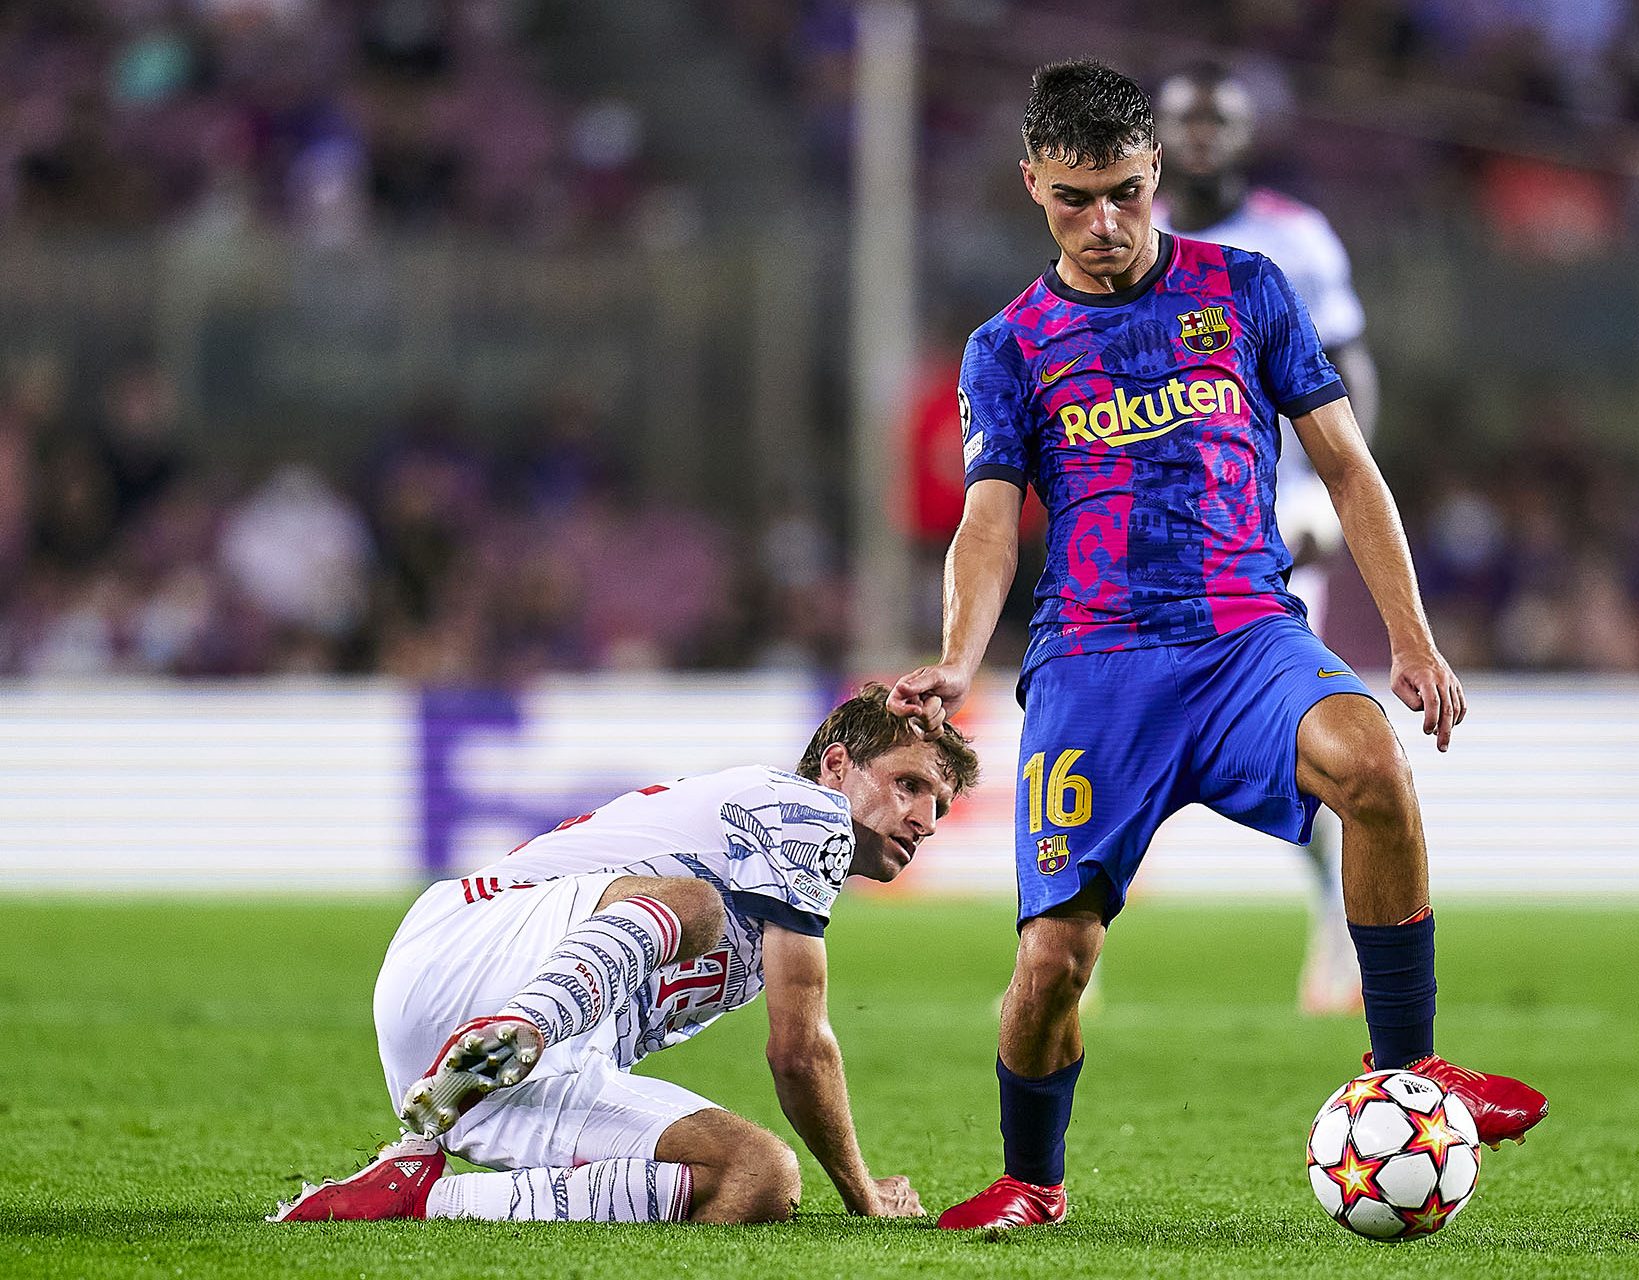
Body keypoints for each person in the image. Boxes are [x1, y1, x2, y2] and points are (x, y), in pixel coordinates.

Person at [888, 60, 1547, 1231]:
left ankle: (1407, 1074)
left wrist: (1412, 638)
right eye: (1075, 199)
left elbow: (1347, 465)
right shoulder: (1010, 346)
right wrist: (954, 655)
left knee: (1373, 761)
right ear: (1032, 182)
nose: (1106, 226)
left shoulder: (1247, 288)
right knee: (1053, 965)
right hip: (1094, 665)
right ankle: (1033, 1178)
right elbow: (989, 523)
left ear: (1157, 176)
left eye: (1128, 194)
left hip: (1246, 636)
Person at [274, 685, 978, 1225]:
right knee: (695, 907)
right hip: (471, 950)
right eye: (908, 784)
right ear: (835, 766)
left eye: (940, 807)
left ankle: (418, 1193)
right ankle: (519, 1027)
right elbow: (799, 1050)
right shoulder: (801, 811)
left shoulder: (789, 894)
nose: (924, 819)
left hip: (529, 1064)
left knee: (759, 1176)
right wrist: (864, 1193)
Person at [1155, 61, 1379, 1016]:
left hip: (1272, 514)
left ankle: (1341, 923)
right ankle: (1069, 946)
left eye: (1221, 120)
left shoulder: (1292, 237)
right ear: (1156, 132)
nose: (1204, 136)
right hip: (1148, 521)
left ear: (1248, 133)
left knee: (1306, 731)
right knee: (1123, 734)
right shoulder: (1122, 230)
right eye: (1186, 120)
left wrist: (1338, 493)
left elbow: (1348, 369)